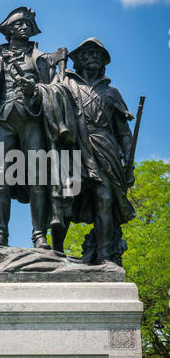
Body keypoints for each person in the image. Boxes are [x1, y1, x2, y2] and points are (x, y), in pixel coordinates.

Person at [0, 6, 68, 249]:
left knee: (38, 177)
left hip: (32, 118)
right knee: (0, 177)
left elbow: (56, 88)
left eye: (28, 25)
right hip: (2, 120)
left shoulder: (40, 59)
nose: (25, 28)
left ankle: (39, 235)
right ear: (9, 30)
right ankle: (0, 233)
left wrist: (37, 91)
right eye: (20, 24)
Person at [55, 37, 135, 264]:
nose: (93, 57)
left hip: (105, 147)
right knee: (66, 199)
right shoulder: (65, 85)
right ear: (77, 60)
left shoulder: (112, 93)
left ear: (103, 63)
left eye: (97, 55)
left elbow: (123, 133)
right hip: (73, 146)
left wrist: (129, 158)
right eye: (87, 53)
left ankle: (104, 257)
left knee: (105, 199)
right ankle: (56, 252)